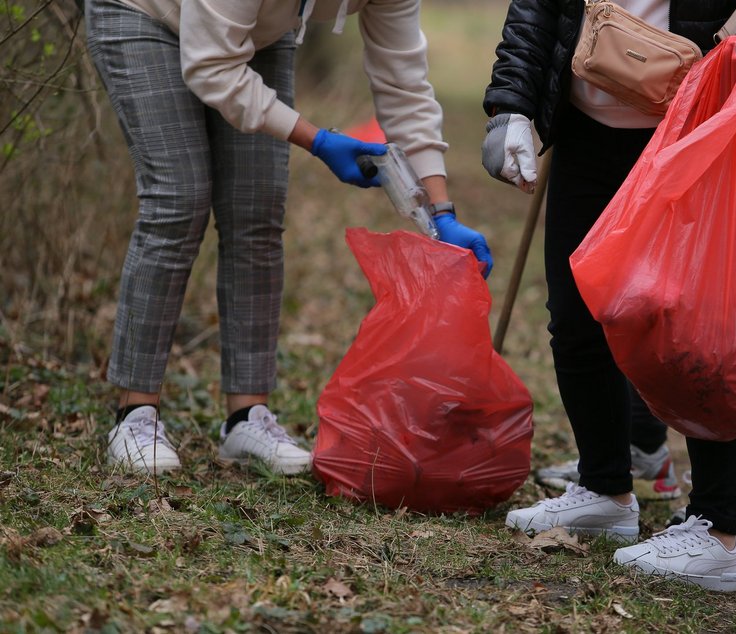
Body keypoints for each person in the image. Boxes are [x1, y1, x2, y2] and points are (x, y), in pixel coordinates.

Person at [482, 0, 736, 592]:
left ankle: (716, 529)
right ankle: (604, 489)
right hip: (587, 130)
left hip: (695, 133)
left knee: (702, 335)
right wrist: (510, 108)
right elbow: (538, 9)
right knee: (575, 317)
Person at [85, 0, 492, 476]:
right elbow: (212, 69)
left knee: (257, 209)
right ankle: (135, 414)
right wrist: (317, 140)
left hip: (257, 31)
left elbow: (405, 87)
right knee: (179, 197)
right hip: (146, 14)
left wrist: (440, 212)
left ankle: (245, 419)